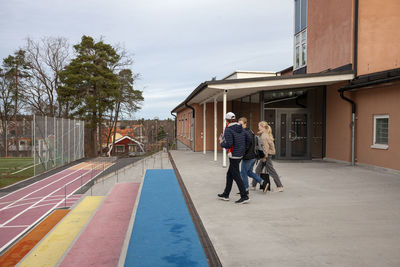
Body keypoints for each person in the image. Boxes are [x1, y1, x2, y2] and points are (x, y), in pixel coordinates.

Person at [218, 112, 250, 204]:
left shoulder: (228, 129)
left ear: (226, 120)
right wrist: (243, 149)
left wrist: (221, 143)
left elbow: (229, 144)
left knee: (236, 175)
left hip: (233, 155)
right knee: (229, 174)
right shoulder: (240, 127)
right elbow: (249, 139)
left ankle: (244, 196)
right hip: (240, 154)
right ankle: (226, 194)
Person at [254, 121, 284, 192]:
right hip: (266, 155)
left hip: (266, 155)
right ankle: (253, 185)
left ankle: (280, 186)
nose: (258, 128)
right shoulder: (264, 134)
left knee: (271, 171)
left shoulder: (264, 136)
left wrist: (264, 157)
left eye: (259, 126)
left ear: (262, 127)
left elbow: (266, 148)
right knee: (258, 170)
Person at [238, 117, 265, 193]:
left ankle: (245, 189)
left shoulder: (245, 132)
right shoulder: (251, 131)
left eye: (241, 124)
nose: (239, 126)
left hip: (248, 156)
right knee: (249, 172)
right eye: (238, 124)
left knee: (243, 173)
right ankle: (262, 182)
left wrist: (241, 153)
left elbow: (246, 145)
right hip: (253, 156)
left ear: (245, 124)